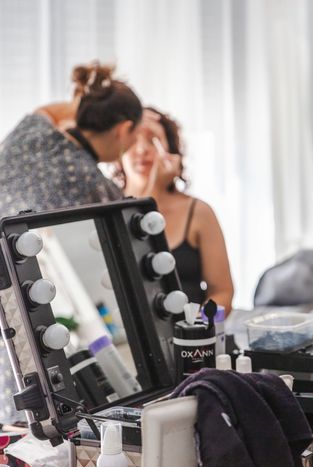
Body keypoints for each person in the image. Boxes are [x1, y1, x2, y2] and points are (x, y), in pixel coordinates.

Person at [117, 107, 234, 313]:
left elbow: (223, 292)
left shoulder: (198, 212)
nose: (142, 149)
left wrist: (196, 325)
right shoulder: (104, 207)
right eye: (134, 138)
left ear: (170, 151)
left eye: (153, 140)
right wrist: (154, 187)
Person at [0, 63, 143, 218]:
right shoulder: (104, 194)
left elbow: (47, 111)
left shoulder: (33, 131)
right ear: (123, 129)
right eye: (136, 135)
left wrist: (89, 107)